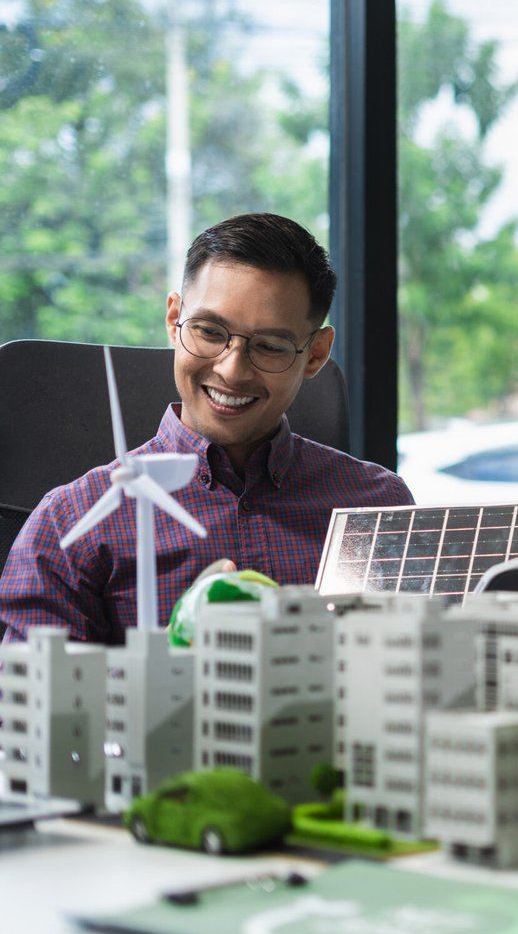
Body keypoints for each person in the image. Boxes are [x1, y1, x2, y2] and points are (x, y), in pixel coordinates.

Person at [0, 213, 414, 646]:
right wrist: (165, 668)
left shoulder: (381, 508)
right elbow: (36, 689)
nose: (232, 371)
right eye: (209, 331)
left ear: (315, 354)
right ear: (173, 319)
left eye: (269, 346)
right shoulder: (68, 524)